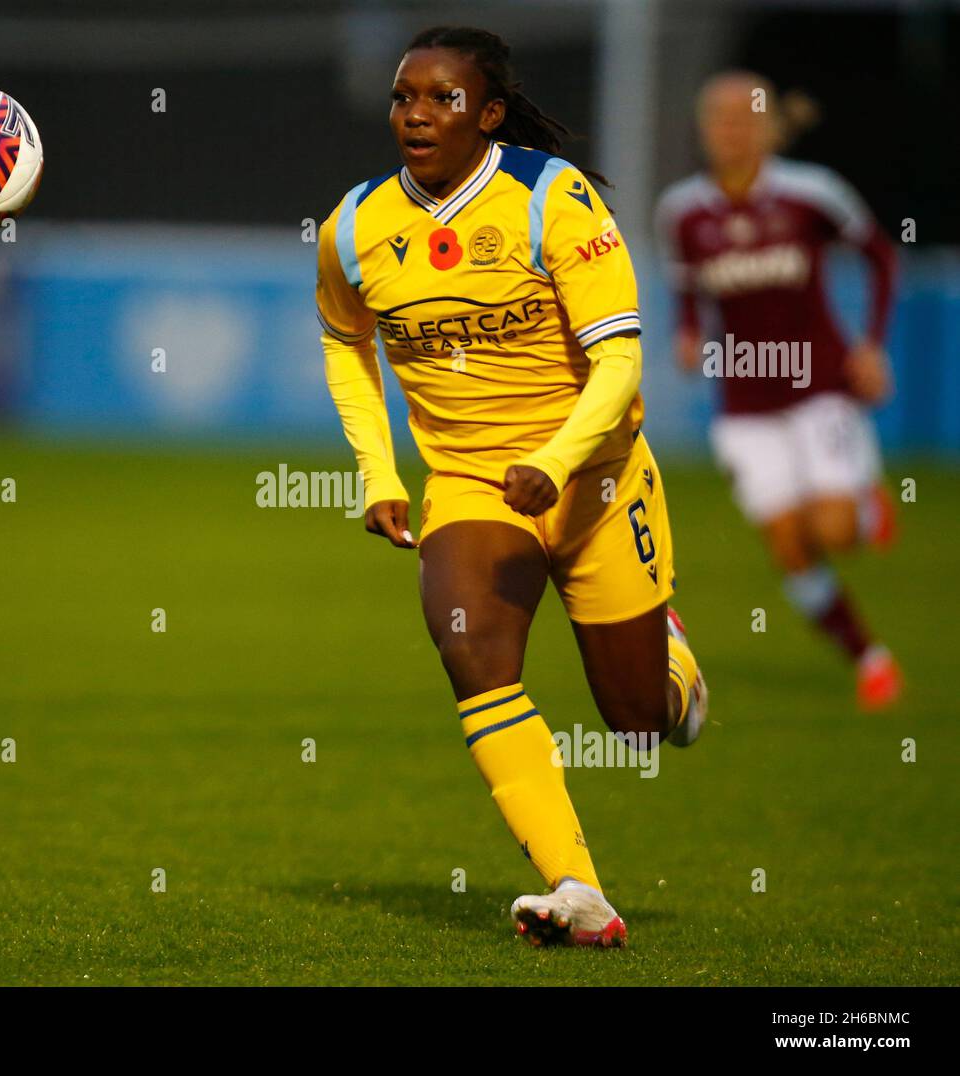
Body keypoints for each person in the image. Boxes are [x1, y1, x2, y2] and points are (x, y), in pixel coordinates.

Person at [316, 26, 707, 948]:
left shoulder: (548, 200)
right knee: (473, 656)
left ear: (488, 116)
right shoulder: (356, 227)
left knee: (637, 718)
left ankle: (671, 661)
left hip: (596, 479)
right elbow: (344, 342)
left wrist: (560, 461)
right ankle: (579, 890)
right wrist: (379, 470)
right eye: (404, 96)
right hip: (469, 483)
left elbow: (617, 360)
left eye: (442, 98)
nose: (416, 113)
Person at [656, 72, 900, 710]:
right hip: (743, 400)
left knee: (837, 530)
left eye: (745, 118)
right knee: (789, 543)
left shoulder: (810, 193)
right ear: (706, 129)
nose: (732, 130)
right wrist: (687, 334)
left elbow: (881, 254)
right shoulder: (682, 212)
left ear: (767, 127)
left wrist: (872, 343)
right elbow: (688, 293)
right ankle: (869, 657)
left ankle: (866, 505)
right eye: (721, 119)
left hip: (820, 385)